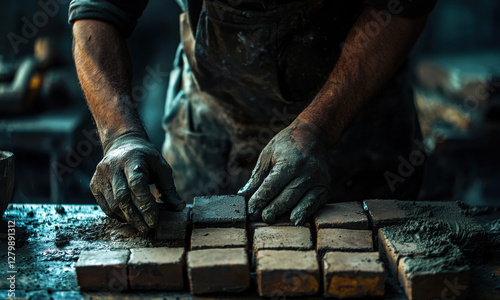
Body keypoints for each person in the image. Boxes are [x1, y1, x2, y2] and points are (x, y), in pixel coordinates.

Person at [69, 0, 436, 234]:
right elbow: (94, 14)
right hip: (210, 129)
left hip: (356, 128)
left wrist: (320, 128)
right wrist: (121, 136)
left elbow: (402, 9)